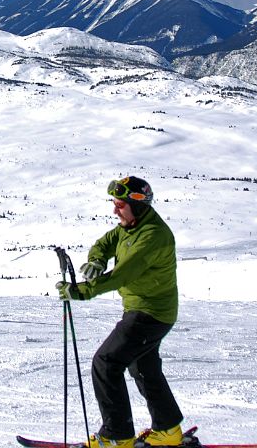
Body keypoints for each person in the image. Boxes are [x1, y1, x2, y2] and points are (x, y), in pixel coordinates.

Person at [55, 176, 184, 448]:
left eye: (120, 205)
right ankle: (168, 430)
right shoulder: (130, 226)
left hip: (151, 313)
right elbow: (104, 243)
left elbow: (121, 276)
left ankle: (117, 436)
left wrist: (79, 291)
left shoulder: (151, 236)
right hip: (144, 310)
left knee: (107, 362)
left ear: (137, 206)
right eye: (114, 204)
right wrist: (96, 261)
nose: (115, 211)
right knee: (143, 367)